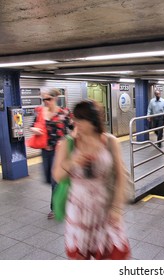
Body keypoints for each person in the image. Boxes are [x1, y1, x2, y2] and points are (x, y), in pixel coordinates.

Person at [52, 100, 130, 260]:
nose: (75, 123)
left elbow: (121, 177)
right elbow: (57, 175)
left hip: (104, 208)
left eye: (80, 119)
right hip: (79, 209)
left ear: (93, 121)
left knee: (113, 255)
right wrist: (73, 162)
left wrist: (116, 208)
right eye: (75, 118)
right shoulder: (68, 143)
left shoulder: (109, 142)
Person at [30, 88, 73, 219]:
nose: (45, 102)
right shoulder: (39, 112)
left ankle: (55, 208)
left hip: (60, 152)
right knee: (50, 179)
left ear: (55, 99)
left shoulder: (64, 113)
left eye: (48, 99)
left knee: (55, 180)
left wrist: (67, 141)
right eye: (43, 99)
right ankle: (68, 196)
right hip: (45, 150)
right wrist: (34, 130)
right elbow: (32, 125)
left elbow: (74, 128)